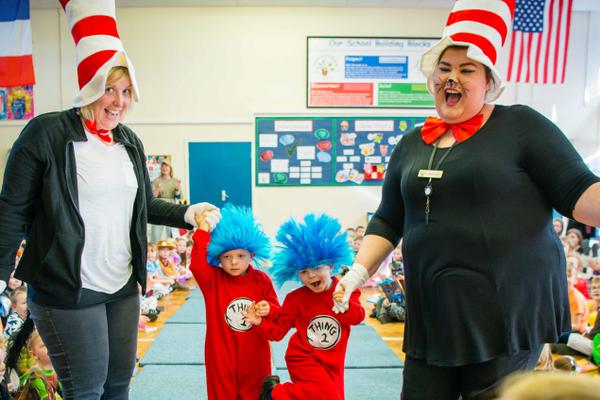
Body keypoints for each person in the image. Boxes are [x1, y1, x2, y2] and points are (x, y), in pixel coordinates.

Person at [333, 1, 600, 398]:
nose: (452, 78)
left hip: (507, 316)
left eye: (466, 69)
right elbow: (388, 219)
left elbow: (580, 193)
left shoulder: (521, 126)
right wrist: (357, 273)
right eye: (444, 68)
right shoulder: (411, 144)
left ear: (488, 80)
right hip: (434, 318)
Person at [0, 1, 218, 398]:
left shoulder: (128, 141)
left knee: (118, 387)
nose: (119, 101)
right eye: (109, 89)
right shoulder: (45, 135)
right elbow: (11, 213)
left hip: (121, 287)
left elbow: (143, 205)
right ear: (89, 86)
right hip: (67, 290)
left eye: (126, 91)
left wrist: (190, 211)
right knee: (86, 391)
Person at [245, 213, 363, 400]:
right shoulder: (295, 299)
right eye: (304, 271)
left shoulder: (345, 289)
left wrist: (345, 304)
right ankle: (273, 393)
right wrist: (260, 322)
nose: (311, 276)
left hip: (333, 360)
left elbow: (358, 317)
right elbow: (277, 332)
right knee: (328, 396)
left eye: (317, 268)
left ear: (331, 265)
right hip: (302, 358)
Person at [189, 204, 280, 400]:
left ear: (252, 255)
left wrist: (268, 309)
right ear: (218, 257)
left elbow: (277, 316)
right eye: (227, 257)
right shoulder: (213, 280)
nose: (234, 262)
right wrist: (203, 230)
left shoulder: (261, 280)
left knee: (255, 395)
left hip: (255, 356)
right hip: (220, 357)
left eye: (240, 256)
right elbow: (197, 265)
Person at [150, 161, 183, 242]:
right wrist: (157, 188)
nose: (164, 168)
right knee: (156, 232)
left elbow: (179, 197)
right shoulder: (156, 181)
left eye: (166, 166)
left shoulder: (175, 181)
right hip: (158, 206)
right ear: (160, 169)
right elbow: (152, 196)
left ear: (170, 168)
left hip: (171, 206)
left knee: (171, 231)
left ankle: (172, 248)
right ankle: (154, 248)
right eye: (163, 167)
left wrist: (177, 189)